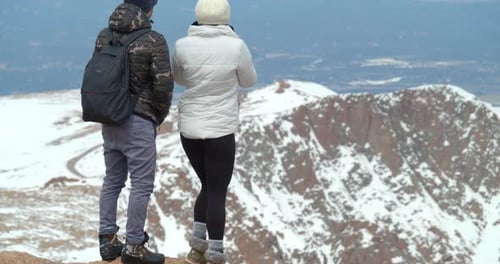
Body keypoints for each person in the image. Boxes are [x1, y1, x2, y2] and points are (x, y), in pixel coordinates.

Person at [171, 0, 258, 263]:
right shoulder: (236, 46)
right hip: (220, 129)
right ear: (225, 17)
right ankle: (215, 254)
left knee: (207, 186)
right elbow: (249, 80)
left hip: (190, 129)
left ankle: (197, 249)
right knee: (217, 190)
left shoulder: (181, 45)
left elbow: (180, 79)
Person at [95, 0, 173, 264]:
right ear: (148, 8)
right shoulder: (153, 39)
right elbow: (163, 86)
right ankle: (134, 248)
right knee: (141, 184)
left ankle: (107, 241)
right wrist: (156, 117)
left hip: (109, 117)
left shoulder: (105, 34)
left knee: (113, 179)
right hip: (138, 121)